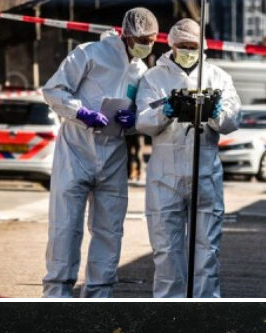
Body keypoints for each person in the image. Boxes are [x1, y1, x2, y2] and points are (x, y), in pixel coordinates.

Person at [41, 8, 158, 297]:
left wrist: (133, 122)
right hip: (76, 151)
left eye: (153, 40)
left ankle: (99, 295)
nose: (147, 45)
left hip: (113, 154)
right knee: (65, 226)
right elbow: (53, 90)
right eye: (143, 39)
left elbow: (139, 112)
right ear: (127, 34)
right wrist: (81, 112)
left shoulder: (140, 71)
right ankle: (57, 293)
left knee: (109, 230)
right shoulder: (89, 54)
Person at [136, 18, 241, 298]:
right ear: (170, 44)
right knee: (166, 252)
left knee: (207, 252)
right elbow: (142, 122)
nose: (187, 50)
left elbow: (233, 120)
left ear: (202, 46)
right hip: (164, 177)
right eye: (182, 46)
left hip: (205, 173)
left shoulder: (217, 77)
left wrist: (216, 112)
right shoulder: (154, 78)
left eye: (192, 46)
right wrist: (166, 110)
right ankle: (170, 313)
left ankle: (206, 310)